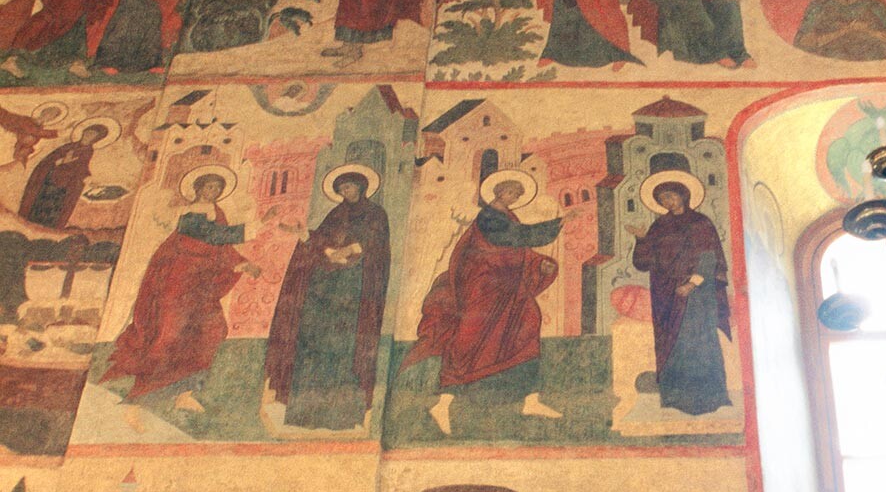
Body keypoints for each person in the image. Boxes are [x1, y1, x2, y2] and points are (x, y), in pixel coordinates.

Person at [410, 170, 563, 433]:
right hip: (485, 288)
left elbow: (517, 249)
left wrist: (540, 264)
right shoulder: (490, 217)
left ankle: (531, 399)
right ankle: (443, 403)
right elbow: (514, 239)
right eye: (512, 192)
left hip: (509, 289)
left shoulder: (507, 217)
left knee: (528, 325)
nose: (515, 197)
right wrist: (558, 223)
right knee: (469, 340)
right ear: (499, 191)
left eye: (518, 194)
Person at [104, 169, 258, 410]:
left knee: (210, 331)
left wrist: (243, 262)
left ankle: (185, 394)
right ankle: (142, 396)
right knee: (170, 335)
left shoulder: (218, 214)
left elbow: (222, 248)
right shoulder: (188, 214)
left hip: (201, 284)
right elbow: (211, 235)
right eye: (209, 187)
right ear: (198, 189)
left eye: (217, 189)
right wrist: (257, 225)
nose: (213, 192)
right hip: (178, 279)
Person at [264, 167, 390, 431]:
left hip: (354, 287)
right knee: (316, 342)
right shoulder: (337, 213)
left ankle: (343, 414)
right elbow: (320, 239)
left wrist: (351, 249)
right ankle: (304, 413)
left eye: (351, 187)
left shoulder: (376, 214)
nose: (347, 192)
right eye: (342, 189)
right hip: (327, 287)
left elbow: (376, 242)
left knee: (344, 347)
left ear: (361, 187)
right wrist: (310, 239)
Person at [631, 177, 730, 415]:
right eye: (662, 198)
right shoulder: (659, 226)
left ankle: (708, 397)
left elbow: (709, 257)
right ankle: (674, 395)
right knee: (670, 343)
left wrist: (692, 284)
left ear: (683, 195)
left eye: (671, 195)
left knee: (697, 340)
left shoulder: (700, 223)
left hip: (696, 295)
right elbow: (643, 263)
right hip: (665, 295)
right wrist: (642, 239)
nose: (668, 201)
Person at [17, 121, 111, 228]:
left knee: (55, 208)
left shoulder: (88, 151)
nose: (88, 136)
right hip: (50, 180)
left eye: (92, 135)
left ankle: (45, 228)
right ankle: (30, 223)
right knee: (39, 204)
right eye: (88, 132)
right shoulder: (68, 146)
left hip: (65, 186)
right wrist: (61, 161)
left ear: (96, 139)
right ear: (83, 132)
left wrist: (87, 177)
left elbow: (82, 168)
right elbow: (48, 161)